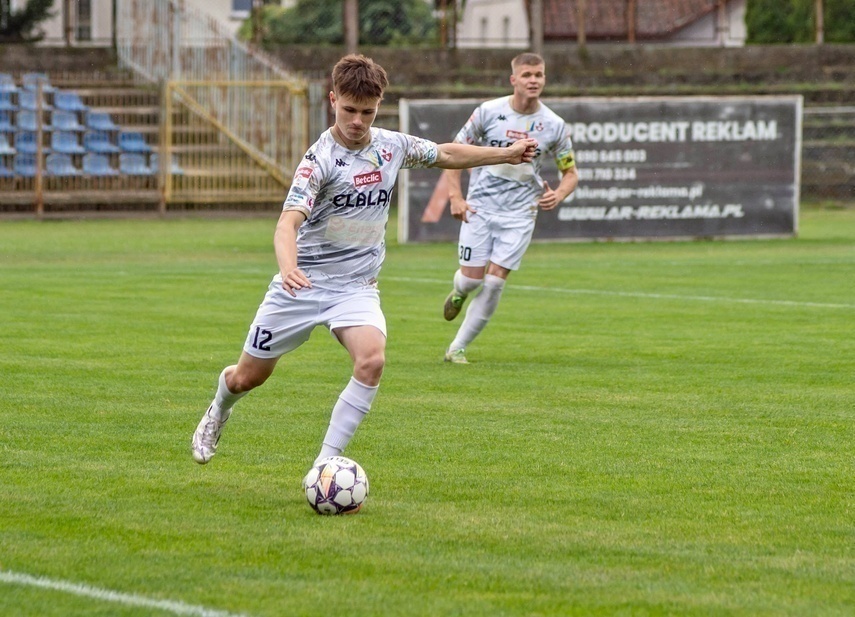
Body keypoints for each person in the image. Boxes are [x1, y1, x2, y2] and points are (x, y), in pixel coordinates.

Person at [191, 54, 538, 468]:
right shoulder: (317, 161)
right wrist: (288, 267)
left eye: (367, 112)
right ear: (333, 99)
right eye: (349, 110)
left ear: (379, 106)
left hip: (355, 288)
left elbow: (445, 153)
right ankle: (218, 409)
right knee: (247, 377)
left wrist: (507, 154)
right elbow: (287, 225)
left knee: (372, 359)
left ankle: (325, 466)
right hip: (301, 284)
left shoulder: (391, 146)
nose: (357, 120)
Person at [441, 52, 579, 364]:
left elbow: (570, 173)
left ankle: (456, 348)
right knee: (473, 280)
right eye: (528, 75)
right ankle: (460, 292)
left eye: (539, 75)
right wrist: (455, 197)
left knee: (493, 283)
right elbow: (453, 154)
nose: (534, 80)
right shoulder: (488, 112)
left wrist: (558, 194)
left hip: (520, 215)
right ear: (513, 79)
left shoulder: (554, 125)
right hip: (480, 208)